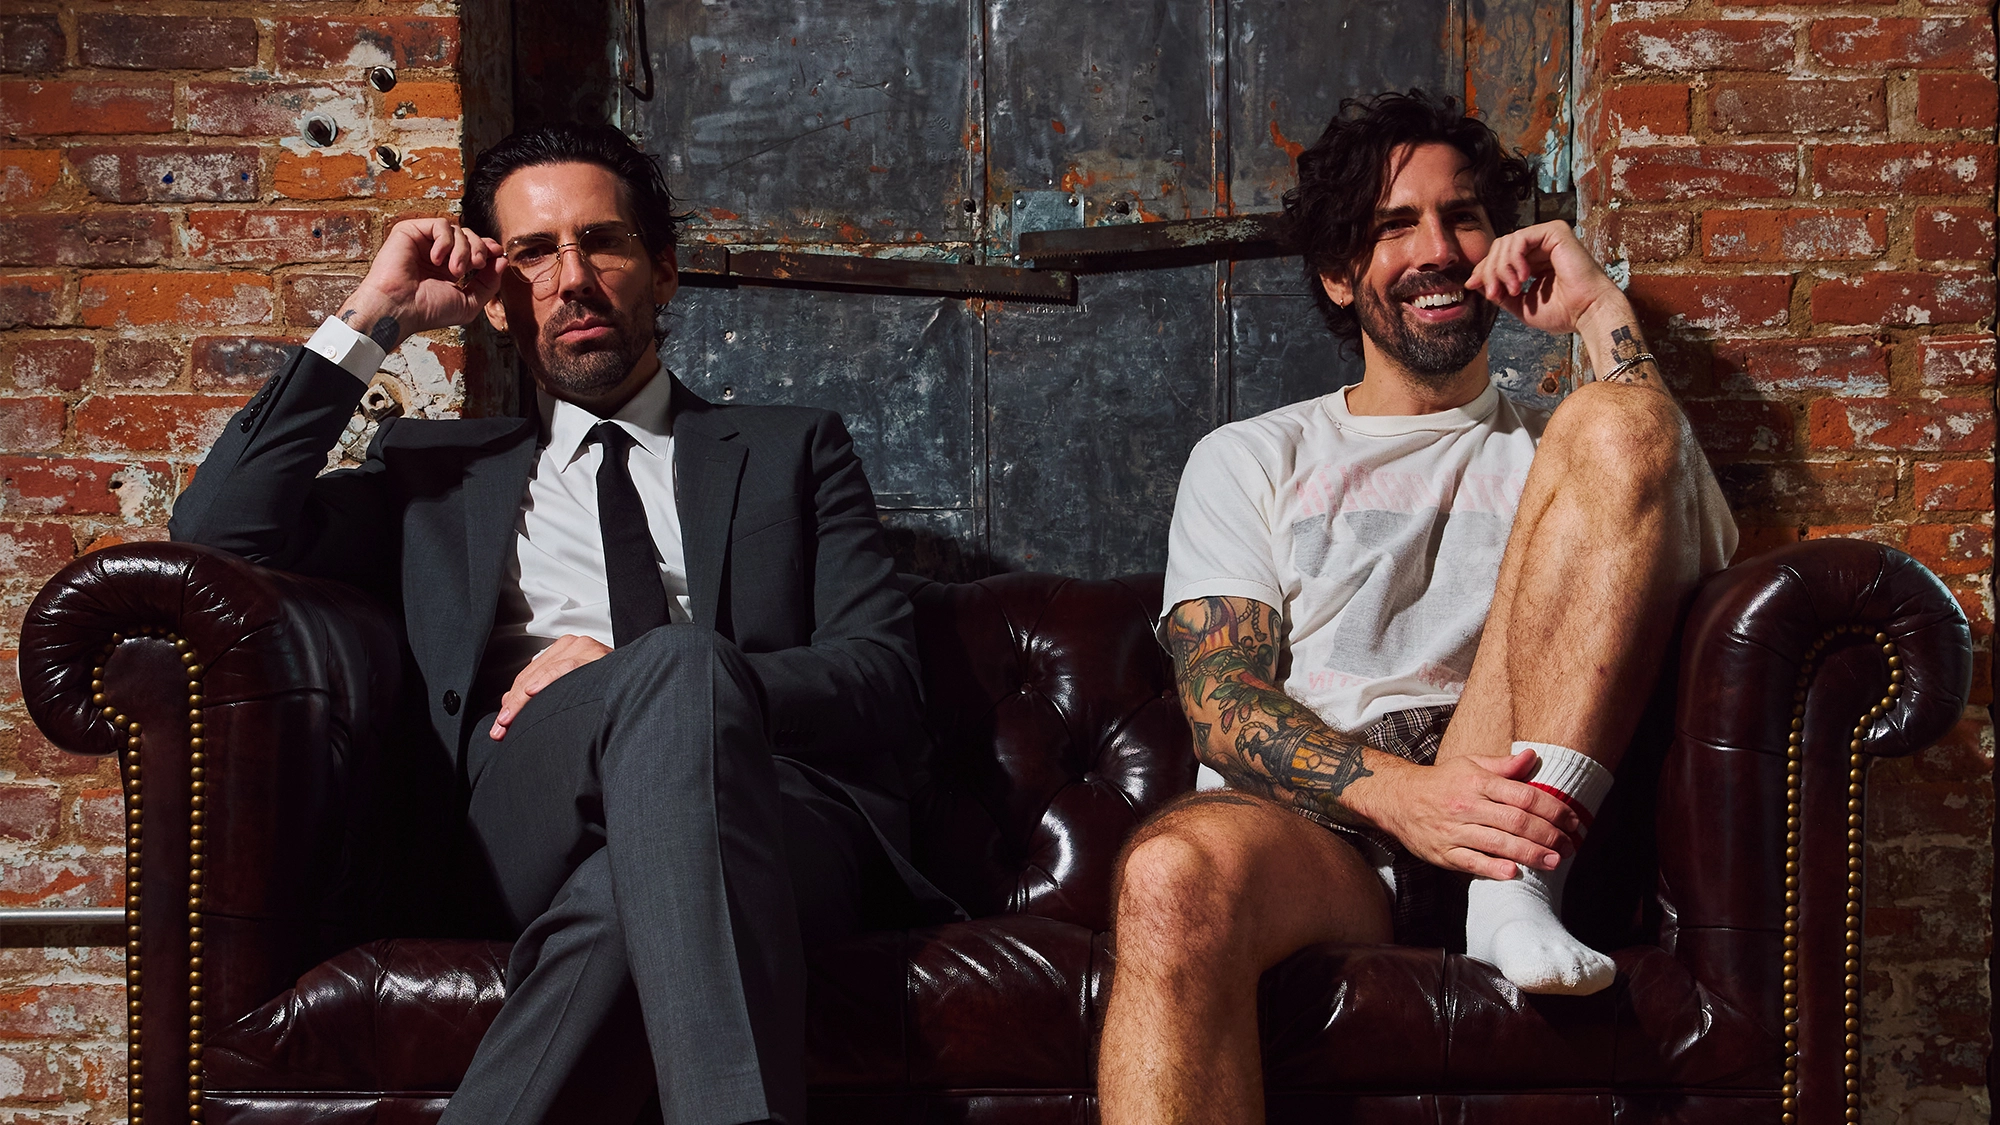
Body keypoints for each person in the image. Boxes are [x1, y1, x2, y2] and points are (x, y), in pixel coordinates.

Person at [170, 122, 956, 1125]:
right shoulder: (437, 476)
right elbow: (218, 529)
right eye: (533, 254)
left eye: (604, 243)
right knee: (668, 685)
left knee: (633, 887)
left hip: (775, 811)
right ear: (498, 300)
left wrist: (654, 671)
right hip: (522, 804)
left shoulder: (790, 451)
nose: (571, 278)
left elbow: (881, 677)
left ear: (662, 271)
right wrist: (376, 313)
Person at [1095, 90, 1738, 1123]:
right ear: (1338, 275)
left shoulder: (1573, 451)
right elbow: (1218, 700)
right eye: (1394, 226)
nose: (1437, 249)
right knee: (1169, 877)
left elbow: (1690, 535)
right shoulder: (1254, 458)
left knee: (1613, 423)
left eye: (1464, 216)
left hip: (1521, 808)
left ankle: (1508, 890)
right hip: (1330, 837)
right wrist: (1403, 799)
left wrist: (1596, 315)